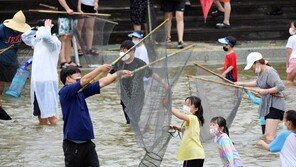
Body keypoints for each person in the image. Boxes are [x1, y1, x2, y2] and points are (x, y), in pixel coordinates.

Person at [59, 64, 131, 166]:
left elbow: (102, 82)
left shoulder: (81, 92)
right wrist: (100, 69)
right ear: (68, 79)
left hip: (88, 143)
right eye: (77, 78)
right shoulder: (65, 92)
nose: (81, 80)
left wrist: (119, 74)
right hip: (73, 145)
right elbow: (85, 80)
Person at [110, 40, 167, 124]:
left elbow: (152, 74)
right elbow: (109, 77)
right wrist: (120, 76)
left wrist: (164, 85)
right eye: (121, 50)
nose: (122, 53)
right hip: (124, 97)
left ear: (132, 52)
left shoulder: (139, 63)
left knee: (134, 120)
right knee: (129, 121)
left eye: (124, 51)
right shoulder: (118, 63)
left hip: (138, 97)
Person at [235, 52, 286, 141]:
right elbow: (257, 82)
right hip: (267, 106)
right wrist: (241, 83)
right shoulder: (261, 72)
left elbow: (281, 86)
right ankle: (270, 154)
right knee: (267, 136)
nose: (251, 69)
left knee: (269, 136)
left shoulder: (270, 71)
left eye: (252, 66)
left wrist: (266, 91)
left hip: (275, 106)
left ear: (257, 62)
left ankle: (273, 153)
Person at [21, 19, 61, 125]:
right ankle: (41, 139)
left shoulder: (54, 42)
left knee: (51, 115)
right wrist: (34, 29)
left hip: (48, 81)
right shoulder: (37, 42)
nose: (39, 31)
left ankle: (54, 138)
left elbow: (46, 37)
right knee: (40, 116)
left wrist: (46, 27)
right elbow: (24, 37)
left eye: (41, 29)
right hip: (37, 81)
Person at [0, 10, 31, 120]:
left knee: (3, 82)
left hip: (11, 60)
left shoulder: (21, 32)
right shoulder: (2, 29)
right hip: (1, 59)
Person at [167, 96, 205, 167]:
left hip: (194, 154)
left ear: (196, 109)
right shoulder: (192, 119)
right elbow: (186, 130)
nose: (186, 106)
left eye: (188, 105)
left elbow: (179, 115)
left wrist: (168, 105)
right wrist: (177, 128)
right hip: (193, 154)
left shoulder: (193, 118)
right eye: (185, 104)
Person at [58, 0, 80, 68]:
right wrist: (67, 8)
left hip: (73, 14)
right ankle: (63, 61)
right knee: (63, 37)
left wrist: (79, 9)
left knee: (69, 37)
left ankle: (68, 60)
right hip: (64, 14)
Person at [285, 21, 296, 85]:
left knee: (289, 82)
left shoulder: (291, 38)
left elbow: (289, 53)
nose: (291, 28)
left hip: (294, 61)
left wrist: (287, 65)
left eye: (291, 26)